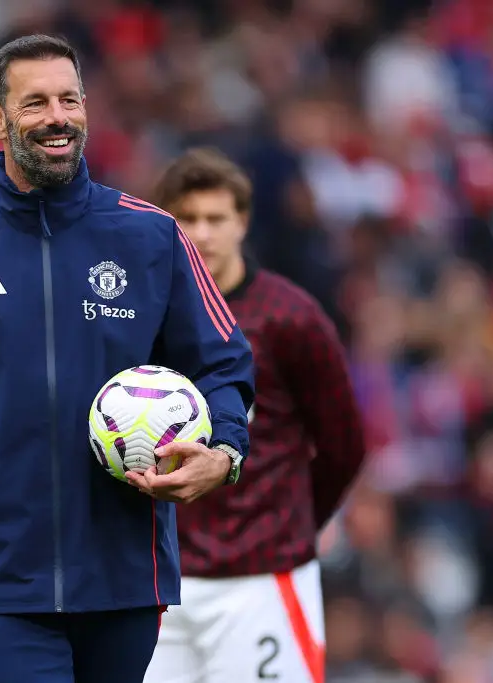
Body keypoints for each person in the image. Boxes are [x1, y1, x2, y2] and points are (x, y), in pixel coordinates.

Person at [0, 36, 255, 683]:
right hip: (0, 578)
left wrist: (225, 451)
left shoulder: (151, 236)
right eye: (35, 103)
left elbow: (224, 363)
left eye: (70, 99)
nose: (57, 117)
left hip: (126, 572)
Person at [142, 148, 367, 683]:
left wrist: (289, 525)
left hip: (262, 580)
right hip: (159, 579)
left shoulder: (291, 317)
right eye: (187, 218)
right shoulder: (139, 316)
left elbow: (344, 445)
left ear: (242, 222)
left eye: (215, 218)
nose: (202, 233)